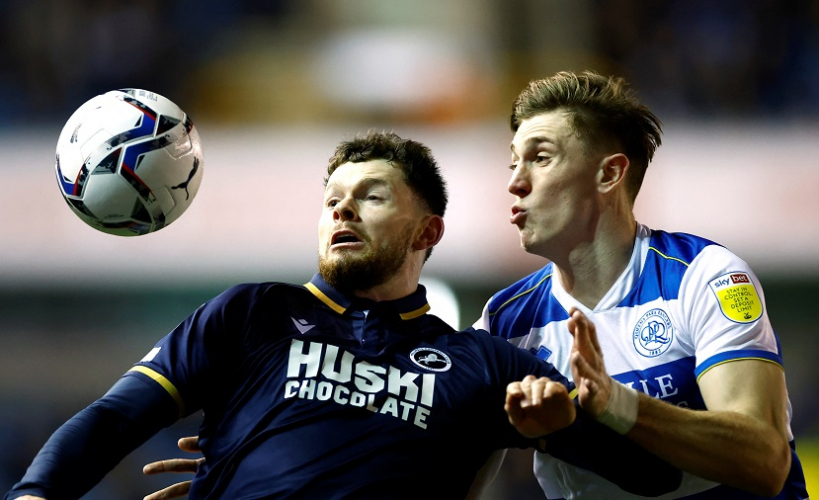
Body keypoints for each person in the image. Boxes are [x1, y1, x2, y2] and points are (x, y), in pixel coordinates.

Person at [4, 131, 680, 500]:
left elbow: (652, 478)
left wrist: (568, 426)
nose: (342, 209)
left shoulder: (482, 363)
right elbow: (115, 417)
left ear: (427, 232)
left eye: (372, 196)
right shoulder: (251, 313)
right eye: (332, 199)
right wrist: (35, 496)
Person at [476, 70, 808, 499]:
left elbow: (765, 461)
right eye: (514, 162)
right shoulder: (505, 321)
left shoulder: (704, 276)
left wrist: (615, 404)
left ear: (609, 174)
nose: (515, 182)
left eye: (540, 158)